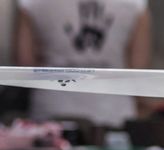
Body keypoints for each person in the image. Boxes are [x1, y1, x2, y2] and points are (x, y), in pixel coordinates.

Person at [13, 0, 151, 127]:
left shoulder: (31, 3)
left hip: (52, 111)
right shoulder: (135, 4)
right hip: (113, 112)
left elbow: (24, 62)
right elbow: (138, 67)